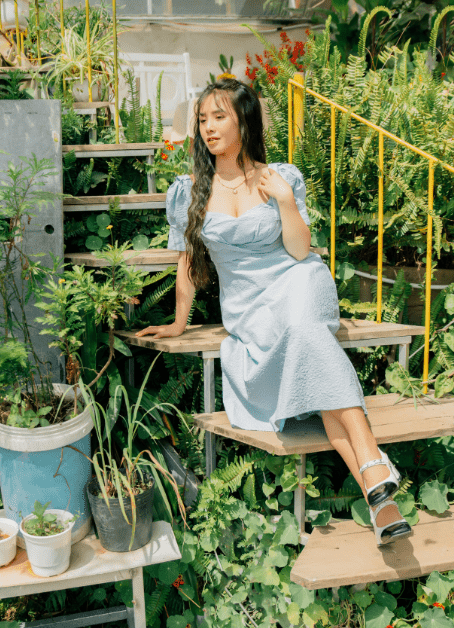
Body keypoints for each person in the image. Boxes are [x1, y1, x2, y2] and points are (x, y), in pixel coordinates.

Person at [136, 78, 412, 546]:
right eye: (202, 119)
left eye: (219, 116)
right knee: (312, 348)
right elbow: (187, 260)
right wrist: (180, 320)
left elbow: (301, 251)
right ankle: (379, 492)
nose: (207, 127)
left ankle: (374, 474)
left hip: (299, 282)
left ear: (244, 120)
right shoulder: (189, 191)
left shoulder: (279, 176)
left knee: (305, 329)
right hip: (249, 305)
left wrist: (285, 200)